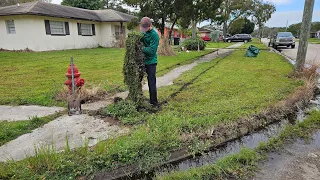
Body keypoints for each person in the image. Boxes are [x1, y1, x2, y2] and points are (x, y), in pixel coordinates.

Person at [140, 17, 159, 107]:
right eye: (143, 27)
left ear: (150, 25)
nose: (144, 29)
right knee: (137, 80)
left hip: (151, 62)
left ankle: (154, 102)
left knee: (151, 82)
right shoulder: (142, 32)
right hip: (141, 60)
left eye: (145, 27)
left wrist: (140, 48)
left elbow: (152, 50)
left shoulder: (154, 35)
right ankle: (137, 98)